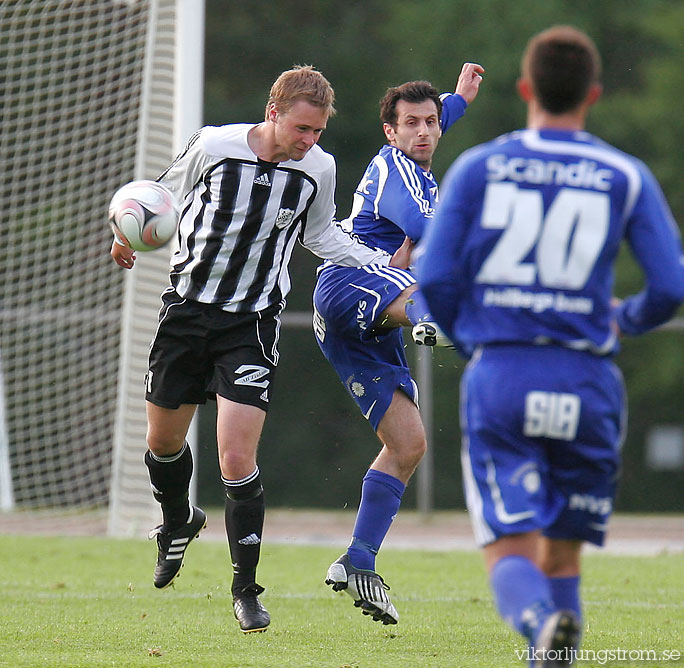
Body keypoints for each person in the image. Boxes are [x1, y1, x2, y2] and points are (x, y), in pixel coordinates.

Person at [416, 26, 684, 666]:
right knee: (562, 554)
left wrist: (470, 335)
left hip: (504, 375)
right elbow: (671, 285)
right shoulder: (624, 173)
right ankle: (554, 632)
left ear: (526, 89)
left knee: (510, 550)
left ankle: (539, 619)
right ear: (592, 94)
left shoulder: (481, 164)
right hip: (588, 381)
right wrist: (626, 318)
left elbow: (433, 278)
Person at [110, 65, 402, 634]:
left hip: (251, 323)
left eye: (317, 131)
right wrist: (123, 235)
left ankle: (246, 589)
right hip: (187, 312)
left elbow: (321, 237)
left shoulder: (318, 169)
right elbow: (157, 198)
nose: (308, 141)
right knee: (163, 443)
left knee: (236, 460)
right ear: (273, 113)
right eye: (301, 128)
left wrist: (377, 264)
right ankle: (178, 519)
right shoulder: (215, 144)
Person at [312, 63, 484, 625]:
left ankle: (358, 559)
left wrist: (457, 99)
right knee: (437, 285)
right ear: (390, 132)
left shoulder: (422, 148)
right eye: (410, 123)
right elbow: (423, 224)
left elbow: (439, 120)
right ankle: (454, 332)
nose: (424, 132)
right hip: (350, 283)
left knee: (408, 445)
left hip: (367, 318)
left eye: (431, 122)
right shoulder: (395, 168)